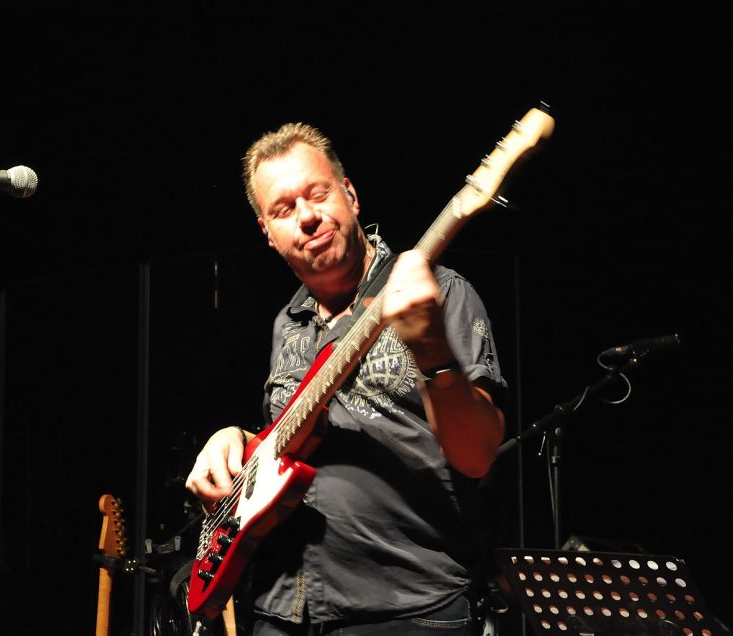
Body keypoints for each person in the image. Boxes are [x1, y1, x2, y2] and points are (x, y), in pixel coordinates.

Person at [185, 123, 507, 636]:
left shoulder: (442, 292)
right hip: (280, 608)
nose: (307, 216)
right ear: (267, 233)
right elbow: (286, 445)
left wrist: (431, 349)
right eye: (284, 209)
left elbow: (479, 457)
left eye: (318, 194)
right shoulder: (287, 325)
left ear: (350, 195)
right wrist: (235, 439)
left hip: (407, 609)